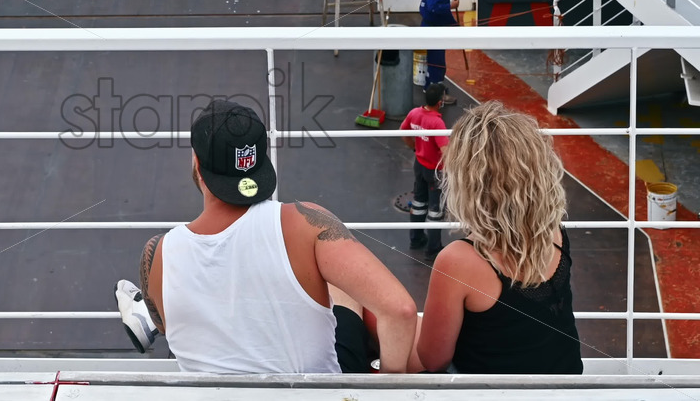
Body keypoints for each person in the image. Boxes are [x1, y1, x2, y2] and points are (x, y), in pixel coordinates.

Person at [115, 99, 418, 374]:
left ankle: (145, 311)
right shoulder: (308, 223)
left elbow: (172, 328)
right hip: (317, 393)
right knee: (342, 285)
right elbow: (400, 311)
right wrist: (389, 388)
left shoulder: (158, 253)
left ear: (196, 163)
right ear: (260, 162)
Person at [415, 101, 583, 374]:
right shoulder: (554, 231)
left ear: (469, 183)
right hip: (566, 383)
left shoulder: (459, 261)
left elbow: (433, 359)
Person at [400, 83, 449, 262]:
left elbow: (403, 132)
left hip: (419, 165)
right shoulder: (437, 122)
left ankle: (416, 238)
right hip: (435, 170)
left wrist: (414, 147)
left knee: (419, 202)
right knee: (435, 209)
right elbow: (445, 149)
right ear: (439, 102)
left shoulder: (415, 113)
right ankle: (433, 249)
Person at [419, 0, 459, 105]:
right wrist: (450, 6)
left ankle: (429, 87)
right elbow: (433, 8)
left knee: (433, 60)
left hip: (433, 27)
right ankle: (439, 94)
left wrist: (453, 23)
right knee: (438, 62)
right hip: (434, 29)